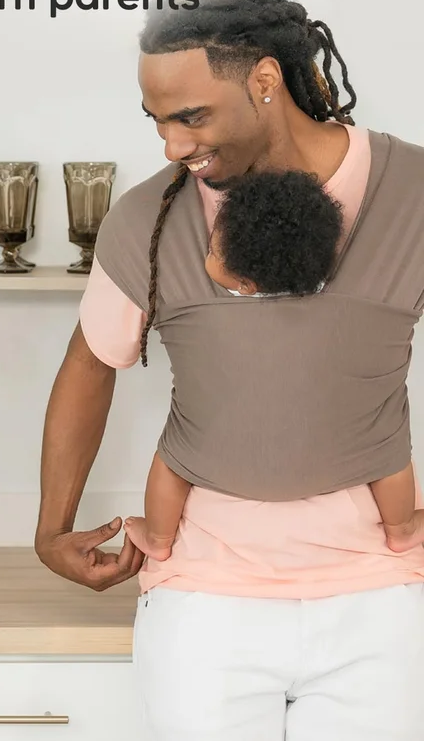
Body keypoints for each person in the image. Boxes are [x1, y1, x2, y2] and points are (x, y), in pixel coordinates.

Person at [34, 0, 424, 741]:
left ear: (264, 81)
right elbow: (90, 366)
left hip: (376, 605)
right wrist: (50, 526)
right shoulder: (151, 216)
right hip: (204, 607)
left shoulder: (414, 195)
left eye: (191, 116)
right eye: (158, 120)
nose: (173, 144)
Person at [123, 169, 421, 561]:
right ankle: (401, 529)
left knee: (171, 463)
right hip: (348, 453)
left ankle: (158, 539)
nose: (205, 254)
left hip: (212, 457)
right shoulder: (347, 306)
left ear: (245, 285)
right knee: (388, 454)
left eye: (212, 251)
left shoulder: (204, 316)